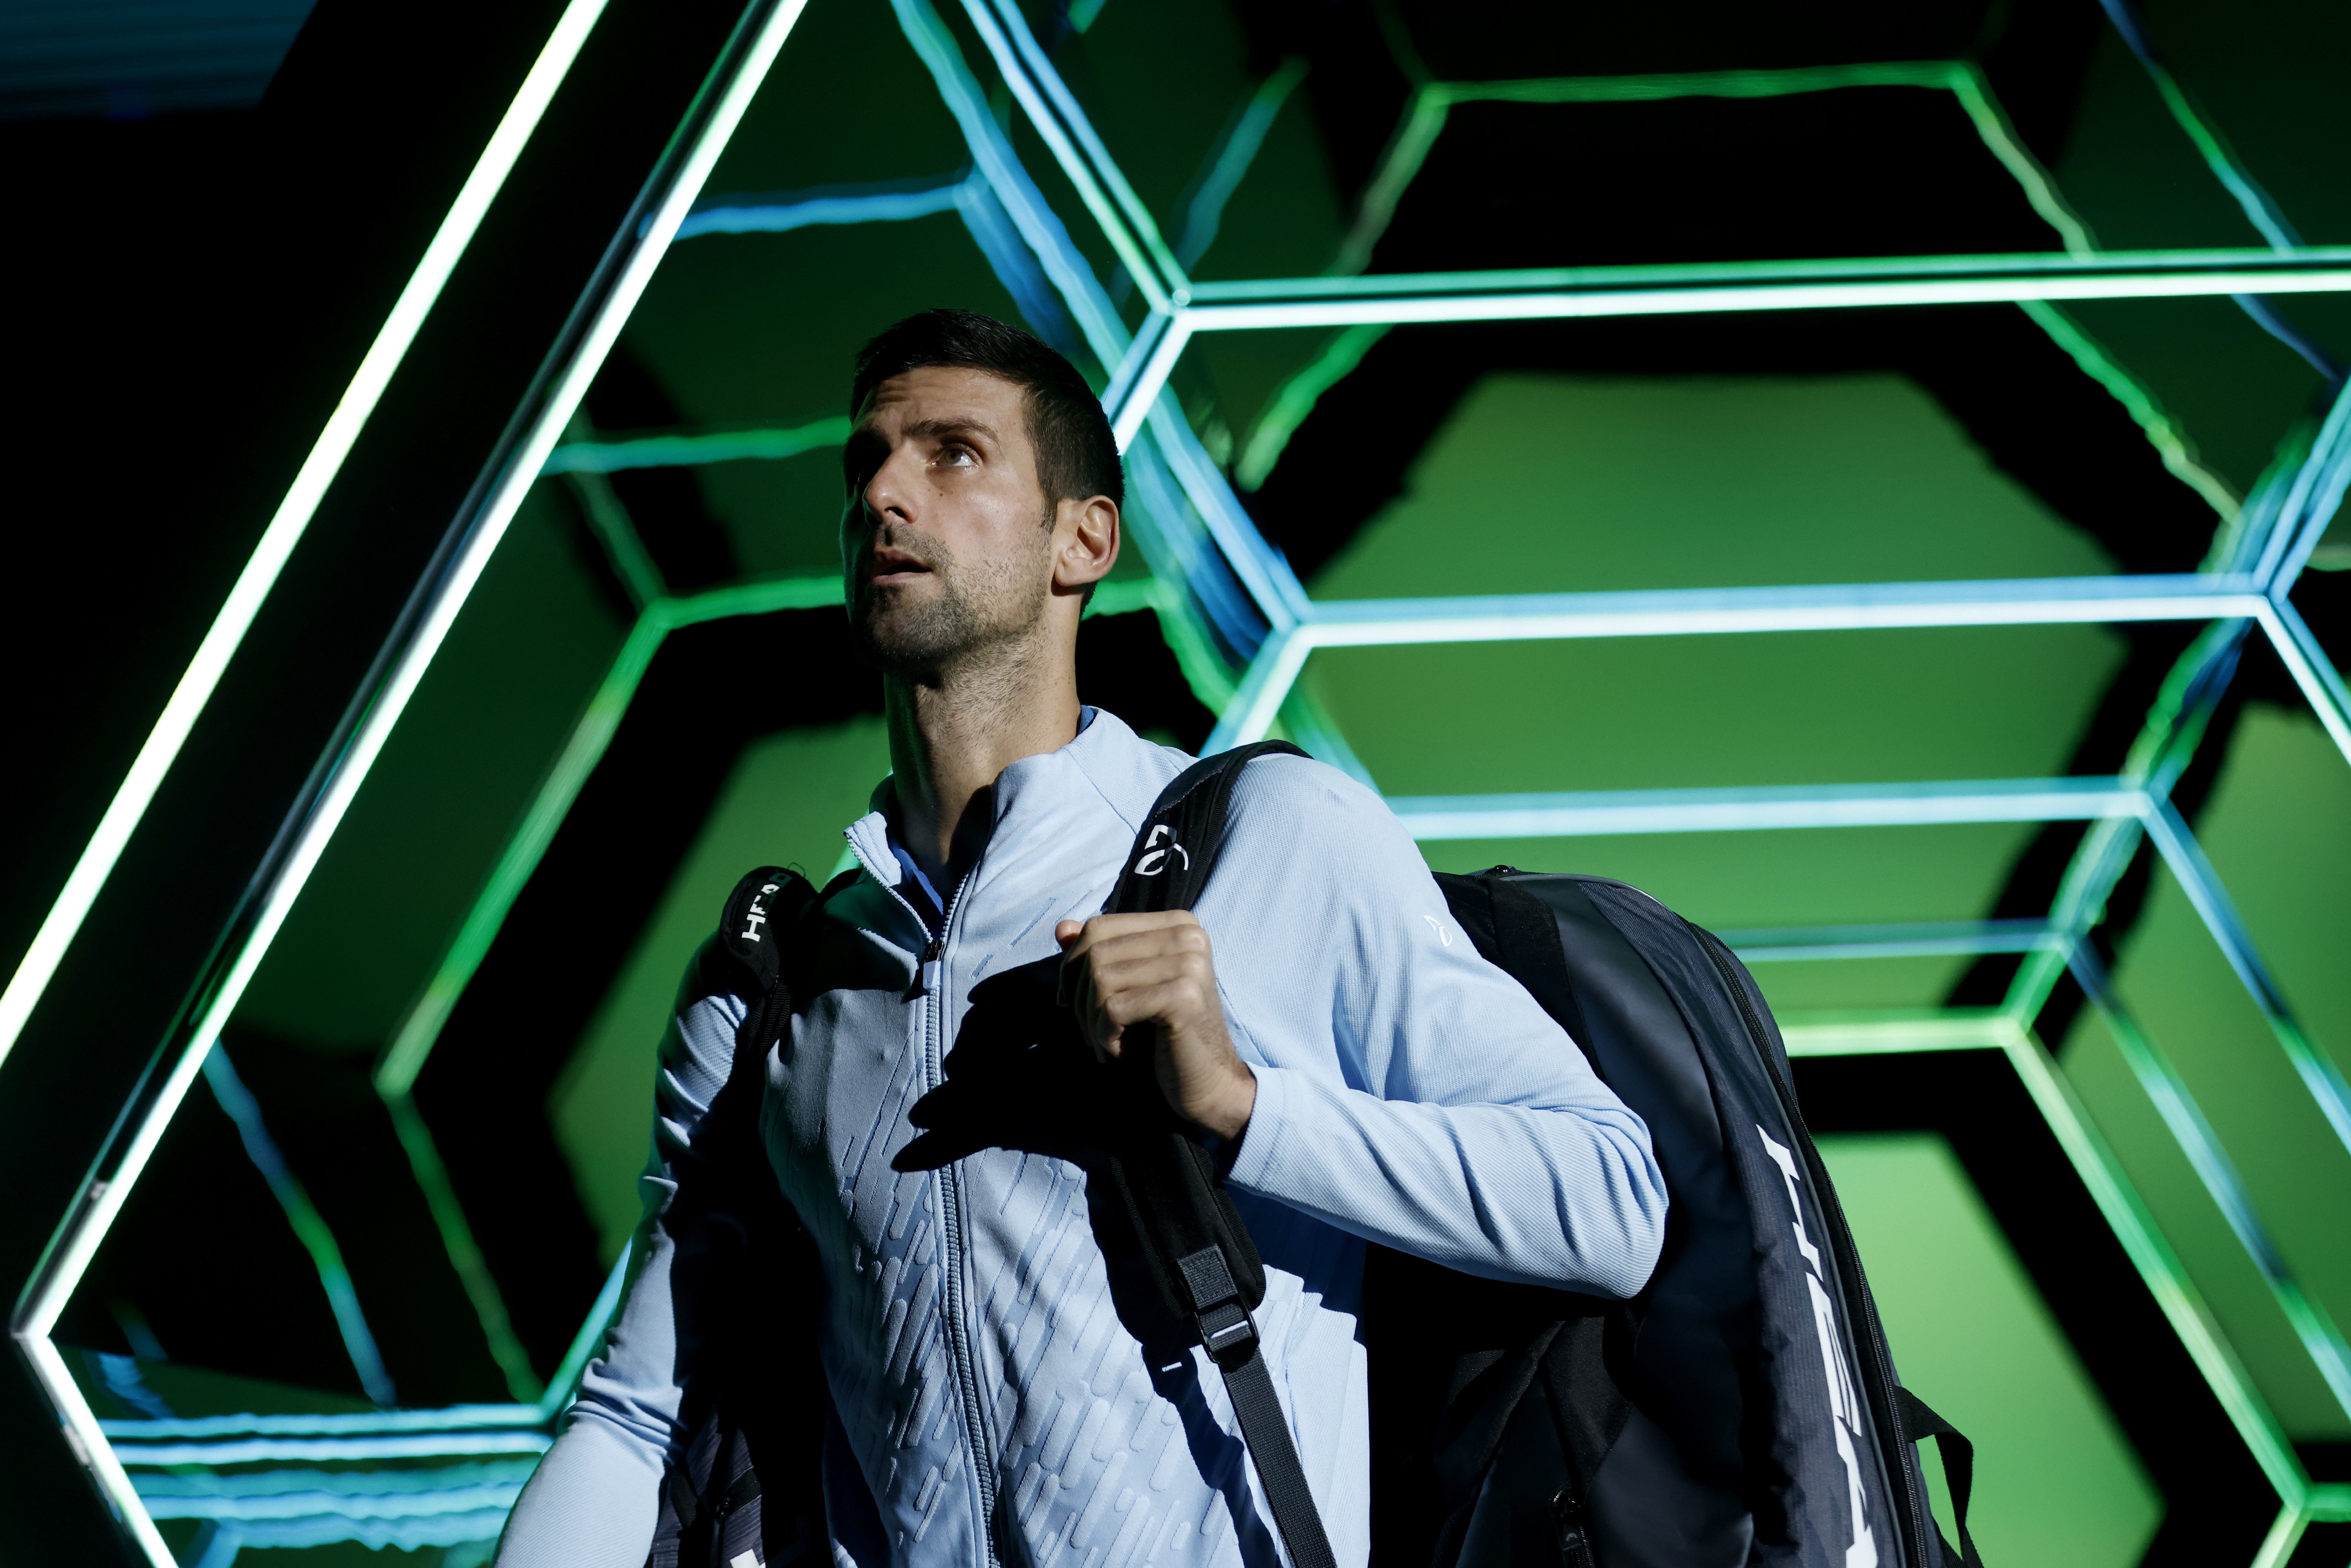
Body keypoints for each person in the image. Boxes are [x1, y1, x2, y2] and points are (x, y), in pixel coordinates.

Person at [495, 309, 1667, 1568]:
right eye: (866, 462)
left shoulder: (1266, 835)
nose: (883, 493)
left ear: (1084, 540)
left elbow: (1612, 1202)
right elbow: (635, 1417)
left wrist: (1243, 1104)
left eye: (952, 454)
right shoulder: (772, 987)